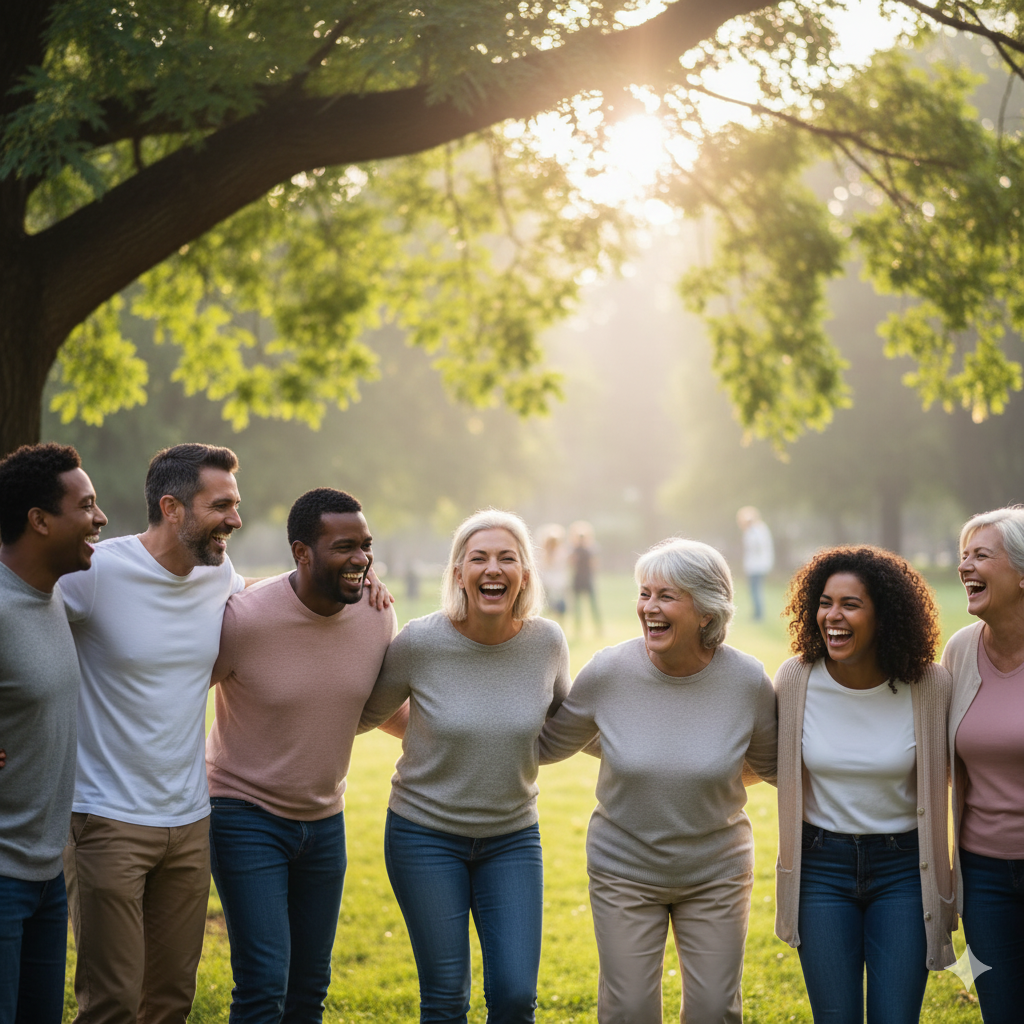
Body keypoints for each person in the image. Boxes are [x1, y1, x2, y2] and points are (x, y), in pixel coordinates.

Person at [539, 537, 777, 1024]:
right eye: (645, 593)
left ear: (707, 612)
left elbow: (776, 768)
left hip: (716, 872)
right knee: (628, 1011)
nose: (649, 607)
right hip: (623, 868)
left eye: (666, 596)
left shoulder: (747, 681)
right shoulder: (608, 671)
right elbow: (547, 743)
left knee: (714, 1011)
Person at [359, 509, 570, 1023]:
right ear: (458, 572)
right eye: (478, 558)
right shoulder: (421, 641)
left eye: (507, 558)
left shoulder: (547, 643)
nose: (492, 569)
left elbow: (563, 722)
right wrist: (433, 735)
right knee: (446, 999)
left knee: (517, 997)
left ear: (524, 574)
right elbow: (368, 713)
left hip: (513, 837)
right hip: (424, 835)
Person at [206, 487, 405, 1022]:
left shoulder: (376, 614)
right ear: (302, 552)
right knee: (265, 981)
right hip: (243, 814)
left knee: (310, 985)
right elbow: (183, 694)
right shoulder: (245, 619)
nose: (361, 559)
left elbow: (371, 706)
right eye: (344, 546)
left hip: (324, 822)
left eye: (365, 545)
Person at [774, 546, 955, 1024]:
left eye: (850, 604)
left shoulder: (930, 686)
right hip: (820, 869)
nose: (832, 616)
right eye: (826, 602)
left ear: (885, 616)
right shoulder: (796, 680)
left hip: (904, 871)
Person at [0, 443, 106, 1024]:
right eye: (86, 505)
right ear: (39, 520)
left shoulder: (54, 594)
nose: (100, 517)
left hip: (46, 873)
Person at [943, 507, 1024, 1023]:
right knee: (1001, 1011)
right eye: (962, 556)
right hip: (984, 876)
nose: (965, 566)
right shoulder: (959, 652)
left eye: (981, 555)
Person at [736, 506, 773, 621]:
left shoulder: (757, 530)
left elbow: (756, 548)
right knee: (754, 590)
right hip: (754, 565)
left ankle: (758, 615)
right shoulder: (753, 531)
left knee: (755, 589)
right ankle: (756, 613)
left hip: (757, 566)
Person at [568, 519, 601, 635]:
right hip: (578, 579)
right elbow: (571, 563)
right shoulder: (573, 549)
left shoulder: (590, 549)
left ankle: (598, 628)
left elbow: (594, 564)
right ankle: (578, 629)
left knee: (593, 605)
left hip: (587, 579)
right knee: (577, 607)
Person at [536, 523, 568, 620]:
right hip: (547, 581)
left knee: (558, 602)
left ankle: (559, 618)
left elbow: (561, 566)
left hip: (557, 582)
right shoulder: (543, 553)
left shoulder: (561, 552)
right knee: (546, 602)